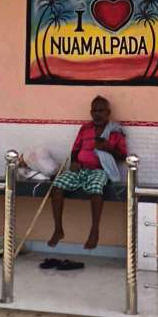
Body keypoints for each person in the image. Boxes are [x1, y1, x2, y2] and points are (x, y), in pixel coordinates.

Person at [49, 96, 127, 250]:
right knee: (57, 186)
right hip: (80, 168)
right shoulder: (85, 128)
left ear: (108, 112)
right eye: (95, 111)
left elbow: (123, 156)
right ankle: (58, 229)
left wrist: (108, 148)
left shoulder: (115, 132)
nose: (97, 114)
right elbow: (75, 149)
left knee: (96, 189)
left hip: (100, 170)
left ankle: (94, 231)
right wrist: (74, 162)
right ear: (91, 112)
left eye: (101, 111)